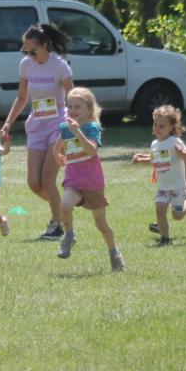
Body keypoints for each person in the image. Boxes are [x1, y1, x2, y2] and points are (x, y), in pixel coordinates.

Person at [1, 23, 74, 240]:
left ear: (45, 46)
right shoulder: (26, 65)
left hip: (58, 125)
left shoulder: (60, 66)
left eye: (33, 50)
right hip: (37, 125)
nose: (29, 55)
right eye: (26, 50)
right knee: (34, 183)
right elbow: (22, 98)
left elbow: (73, 97)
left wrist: (75, 124)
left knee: (47, 179)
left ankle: (57, 225)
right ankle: (62, 210)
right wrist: (7, 123)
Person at [52, 87, 123, 272]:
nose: (72, 110)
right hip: (74, 178)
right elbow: (58, 147)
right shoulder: (65, 127)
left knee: (101, 224)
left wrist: (77, 132)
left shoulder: (92, 128)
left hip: (92, 181)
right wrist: (56, 155)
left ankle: (114, 253)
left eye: (77, 106)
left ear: (89, 110)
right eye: (70, 106)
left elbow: (92, 151)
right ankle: (69, 236)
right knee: (65, 206)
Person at [132, 105, 186, 245]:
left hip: (177, 186)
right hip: (163, 186)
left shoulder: (175, 142)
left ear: (171, 127)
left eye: (162, 126)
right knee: (160, 210)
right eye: (155, 124)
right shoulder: (155, 144)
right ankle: (165, 239)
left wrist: (181, 152)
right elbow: (155, 162)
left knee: (177, 215)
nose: (157, 128)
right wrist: (141, 160)